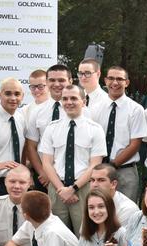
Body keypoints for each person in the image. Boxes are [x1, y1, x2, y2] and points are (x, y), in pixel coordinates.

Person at [39, 85, 107, 236]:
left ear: (83, 101)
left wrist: (73, 189)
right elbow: (47, 163)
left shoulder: (95, 129)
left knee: (85, 235)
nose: (69, 102)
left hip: (83, 189)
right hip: (57, 189)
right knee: (56, 236)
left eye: (73, 98)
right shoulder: (51, 128)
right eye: (65, 99)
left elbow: (95, 164)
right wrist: (61, 189)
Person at [91, 66, 147, 202]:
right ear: (105, 80)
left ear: (126, 83)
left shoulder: (136, 109)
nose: (114, 82)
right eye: (111, 78)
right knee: (100, 210)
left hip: (125, 172)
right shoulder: (94, 108)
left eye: (119, 79)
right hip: (99, 170)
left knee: (127, 214)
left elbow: (135, 145)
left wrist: (112, 165)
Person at [25, 64, 73, 192]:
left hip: (71, 178)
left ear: (70, 81)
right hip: (43, 179)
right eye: (52, 80)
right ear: (46, 82)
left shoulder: (82, 112)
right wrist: (42, 172)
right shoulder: (37, 111)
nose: (56, 84)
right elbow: (31, 146)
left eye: (61, 80)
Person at [0, 77, 25, 195]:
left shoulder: (21, 118)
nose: (13, 98)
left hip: (18, 183)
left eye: (17, 94)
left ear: (22, 96)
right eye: (8, 94)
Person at [21, 70, 50, 144]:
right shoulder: (24, 111)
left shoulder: (60, 107)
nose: (36, 90)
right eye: (33, 87)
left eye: (40, 86)